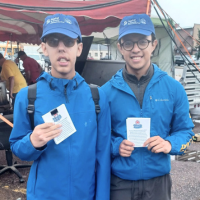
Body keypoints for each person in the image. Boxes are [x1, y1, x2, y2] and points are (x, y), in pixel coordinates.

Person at [9, 14, 111, 200]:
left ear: (79, 48)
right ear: (44, 47)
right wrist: (32, 141)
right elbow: (16, 146)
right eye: (54, 41)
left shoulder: (96, 97)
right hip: (43, 195)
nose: (61, 48)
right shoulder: (27, 96)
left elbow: (103, 155)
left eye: (68, 42)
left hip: (85, 195)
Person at [101, 14, 194, 200]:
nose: (136, 49)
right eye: (128, 43)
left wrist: (169, 144)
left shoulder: (174, 89)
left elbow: (186, 132)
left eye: (142, 41)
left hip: (158, 184)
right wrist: (116, 146)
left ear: (154, 44)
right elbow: (98, 136)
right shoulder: (106, 93)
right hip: (120, 184)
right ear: (120, 47)